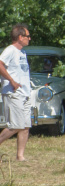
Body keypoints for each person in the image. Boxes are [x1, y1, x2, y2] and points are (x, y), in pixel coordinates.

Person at [0, 24, 33, 162]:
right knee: (15, 125)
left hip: (25, 93)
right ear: (20, 37)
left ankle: (20, 156)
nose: (29, 39)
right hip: (13, 93)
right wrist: (12, 81)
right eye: (27, 36)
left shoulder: (22, 53)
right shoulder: (10, 50)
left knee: (25, 126)